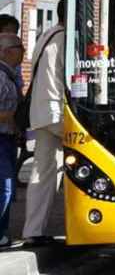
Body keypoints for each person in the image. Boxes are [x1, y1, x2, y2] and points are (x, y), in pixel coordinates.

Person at [23, 0, 65, 247]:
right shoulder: (65, 39)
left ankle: (33, 230)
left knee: (43, 172)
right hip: (57, 113)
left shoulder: (46, 35)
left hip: (40, 113)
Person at [0, 34, 24, 249]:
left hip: (7, 138)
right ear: (6, 51)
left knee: (6, 186)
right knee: (5, 186)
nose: (23, 52)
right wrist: (12, 114)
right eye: (20, 47)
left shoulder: (9, 76)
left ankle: (3, 232)